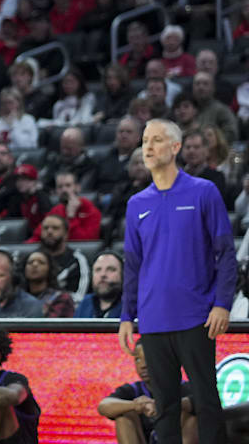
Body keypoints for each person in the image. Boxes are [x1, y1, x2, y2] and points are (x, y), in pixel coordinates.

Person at [119, 118, 237, 444]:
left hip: (196, 316)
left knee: (206, 401)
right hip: (153, 320)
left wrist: (222, 304)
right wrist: (127, 315)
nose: (148, 147)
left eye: (157, 140)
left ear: (175, 147)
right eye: (145, 140)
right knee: (165, 407)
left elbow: (226, 254)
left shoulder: (204, 192)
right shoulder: (136, 204)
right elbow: (133, 265)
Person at [29, 172, 101, 243]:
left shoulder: (90, 210)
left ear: (77, 187)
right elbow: (38, 235)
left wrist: (71, 217)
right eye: (60, 187)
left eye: (68, 185)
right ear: (56, 190)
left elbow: (85, 243)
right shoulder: (56, 210)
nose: (64, 190)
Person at [32, 214, 90, 302]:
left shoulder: (77, 260)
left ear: (66, 234)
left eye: (55, 228)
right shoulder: (32, 259)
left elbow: (80, 296)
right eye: (45, 228)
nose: (49, 231)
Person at [22, 249, 76, 317]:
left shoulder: (61, 298)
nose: (34, 265)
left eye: (41, 262)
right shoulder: (16, 298)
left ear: (49, 269)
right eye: (30, 262)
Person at [76, 251, 124, 318]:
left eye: (111, 269)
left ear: (123, 274)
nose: (103, 274)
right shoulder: (85, 303)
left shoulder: (133, 305)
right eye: (98, 270)